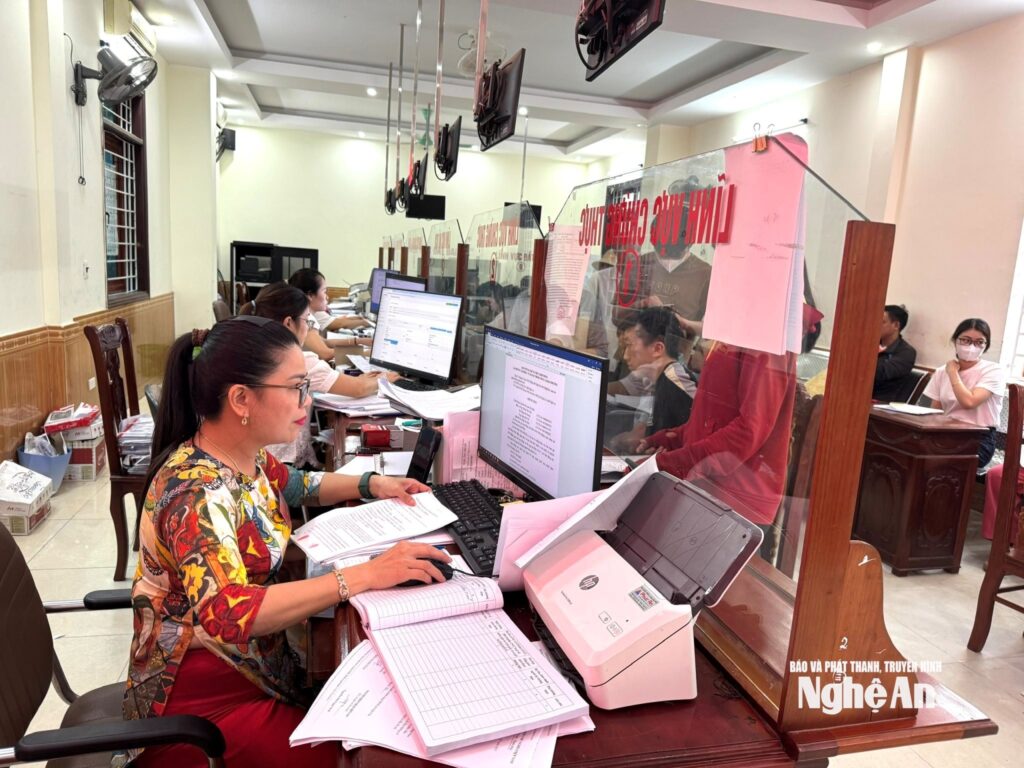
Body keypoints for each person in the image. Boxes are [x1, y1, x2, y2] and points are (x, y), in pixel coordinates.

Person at [125, 316, 449, 768]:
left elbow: (294, 484)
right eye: (297, 387)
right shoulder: (196, 493)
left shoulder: (240, 453)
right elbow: (228, 612)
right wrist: (364, 576)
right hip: (203, 702)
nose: (307, 400)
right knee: (361, 757)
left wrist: (373, 484)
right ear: (241, 398)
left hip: (252, 663)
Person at [240, 281, 399, 465]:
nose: (308, 328)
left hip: (259, 458)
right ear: (289, 323)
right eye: (307, 321)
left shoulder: (252, 350)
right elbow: (359, 389)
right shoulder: (298, 361)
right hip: (284, 464)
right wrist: (390, 377)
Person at [608, 307, 697, 450]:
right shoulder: (652, 380)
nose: (625, 356)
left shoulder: (676, 381)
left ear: (657, 349)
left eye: (629, 345)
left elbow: (700, 429)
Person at [920, 318, 1006, 467]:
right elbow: (935, 412)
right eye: (965, 340)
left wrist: (953, 373)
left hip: (979, 438)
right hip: (946, 432)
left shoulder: (993, 370)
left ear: (986, 346)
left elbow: (969, 402)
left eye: (979, 342)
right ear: (955, 341)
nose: (972, 346)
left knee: (937, 461)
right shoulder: (941, 372)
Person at [288, 268, 369, 361]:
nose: (327, 296)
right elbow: (325, 354)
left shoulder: (307, 315)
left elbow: (324, 342)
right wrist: (366, 353)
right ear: (310, 295)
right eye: (324, 292)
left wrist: (358, 341)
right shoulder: (304, 320)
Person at [873, 304, 918, 401]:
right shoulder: (869, 344)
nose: (875, 325)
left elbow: (880, 374)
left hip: (882, 402)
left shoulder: (906, 352)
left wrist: (870, 357)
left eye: (882, 322)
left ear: (896, 325)